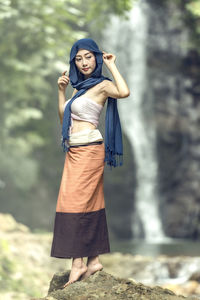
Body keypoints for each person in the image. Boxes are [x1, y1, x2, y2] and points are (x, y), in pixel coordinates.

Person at [50, 38, 130, 288]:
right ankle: (93, 260)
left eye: (88, 56)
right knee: (89, 202)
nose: (84, 62)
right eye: (78, 58)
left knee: (75, 202)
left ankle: (78, 263)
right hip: (75, 150)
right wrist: (61, 92)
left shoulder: (103, 84)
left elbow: (124, 92)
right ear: (74, 62)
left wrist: (111, 65)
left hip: (89, 149)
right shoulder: (80, 87)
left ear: (96, 57)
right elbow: (66, 117)